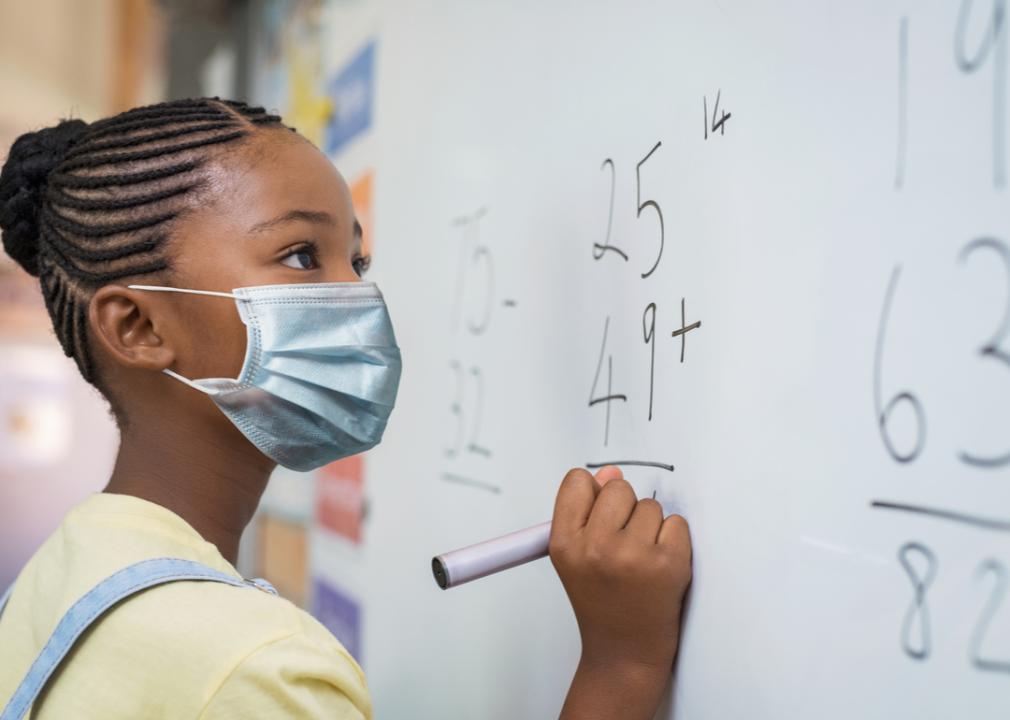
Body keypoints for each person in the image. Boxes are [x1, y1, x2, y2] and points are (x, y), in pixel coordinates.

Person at [0, 97, 692, 719]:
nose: (357, 298)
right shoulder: (253, 669)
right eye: (302, 258)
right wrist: (620, 667)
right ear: (139, 329)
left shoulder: (59, 578)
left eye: (356, 263)